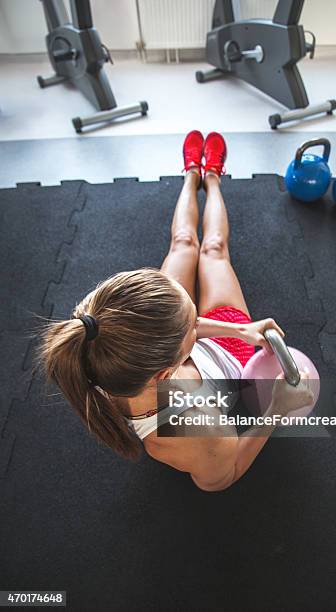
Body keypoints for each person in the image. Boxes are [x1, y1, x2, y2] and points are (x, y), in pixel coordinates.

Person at [37, 131, 313, 492]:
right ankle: (210, 178)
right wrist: (275, 411)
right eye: (190, 327)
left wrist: (239, 329)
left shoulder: (104, 348)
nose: (195, 321)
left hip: (200, 348)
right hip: (232, 364)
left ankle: (198, 175)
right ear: (166, 369)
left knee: (186, 243)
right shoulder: (194, 434)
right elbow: (222, 478)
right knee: (215, 251)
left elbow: (183, 327)